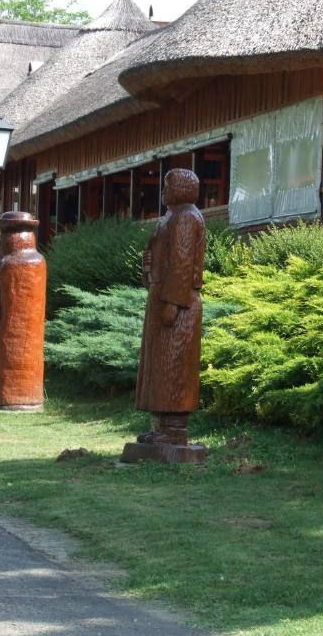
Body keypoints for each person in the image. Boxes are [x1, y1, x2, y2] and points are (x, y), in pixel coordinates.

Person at [133, 168, 206, 449]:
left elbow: (182, 263)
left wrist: (173, 303)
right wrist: (149, 268)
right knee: (162, 364)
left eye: (167, 186)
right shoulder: (171, 217)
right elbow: (165, 258)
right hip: (164, 298)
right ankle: (163, 426)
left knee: (173, 365)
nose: (163, 191)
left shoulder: (186, 216)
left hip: (178, 303)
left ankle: (175, 429)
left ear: (182, 189)